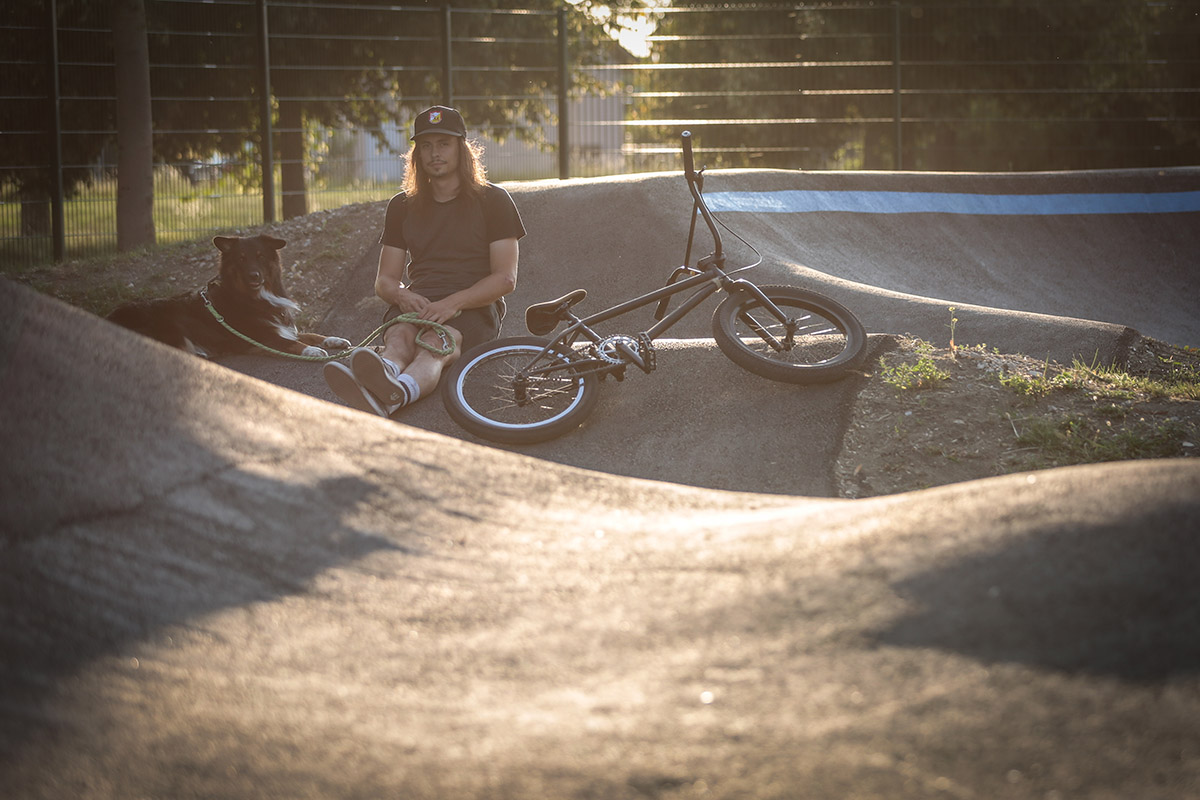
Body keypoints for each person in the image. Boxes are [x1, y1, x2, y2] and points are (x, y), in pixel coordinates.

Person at [323, 105, 526, 417]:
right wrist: (403, 296)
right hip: (418, 303)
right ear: (417, 154)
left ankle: (396, 394)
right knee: (401, 339)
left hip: (473, 308)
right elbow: (385, 281)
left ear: (462, 149)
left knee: (433, 343)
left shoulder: (494, 201)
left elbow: (505, 279)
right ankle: (384, 375)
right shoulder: (402, 206)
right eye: (426, 146)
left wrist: (452, 304)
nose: (435, 153)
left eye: (444, 144)